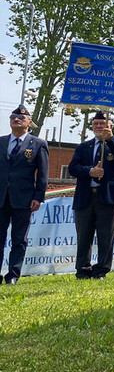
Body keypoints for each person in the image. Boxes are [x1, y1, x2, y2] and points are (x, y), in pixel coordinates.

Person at [69, 111, 114, 280]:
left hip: (108, 199)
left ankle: (101, 270)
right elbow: (73, 168)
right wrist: (90, 171)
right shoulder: (83, 147)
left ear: (110, 126)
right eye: (95, 124)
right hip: (86, 197)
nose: (98, 126)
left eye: (102, 124)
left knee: (105, 237)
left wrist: (110, 140)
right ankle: (82, 269)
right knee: (83, 236)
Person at [0, 105, 49, 285]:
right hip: (1, 198)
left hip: (24, 199)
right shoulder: (1, 141)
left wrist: (38, 196)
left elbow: (43, 174)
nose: (16, 119)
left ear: (29, 122)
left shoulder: (38, 144)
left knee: (19, 240)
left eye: (21, 117)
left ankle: (13, 275)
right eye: (13, 117)